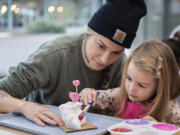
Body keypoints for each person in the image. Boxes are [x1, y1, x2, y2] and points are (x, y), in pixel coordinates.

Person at [0, 0, 147, 127]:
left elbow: (135, 102)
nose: (105, 59)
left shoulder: (121, 63)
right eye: (100, 46)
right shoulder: (54, 55)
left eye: (116, 52)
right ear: (88, 32)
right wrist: (24, 106)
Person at [80, 40, 180, 124]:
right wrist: (87, 94)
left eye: (141, 85)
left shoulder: (170, 109)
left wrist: (159, 129)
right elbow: (93, 97)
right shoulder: (120, 95)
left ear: (160, 86)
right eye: (128, 78)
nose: (131, 89)